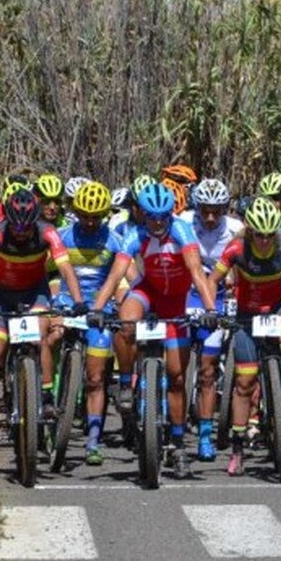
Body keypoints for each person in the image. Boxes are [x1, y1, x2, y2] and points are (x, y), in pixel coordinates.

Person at [89, 183, 217, 479]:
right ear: (141, 214)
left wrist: (211, 311)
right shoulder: (135, 235)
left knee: (176, 377)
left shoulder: (182, 232)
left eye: (163, 216)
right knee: (126, 321)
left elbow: (197, 273)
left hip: (175, 303)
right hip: (148, 293)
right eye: (151, 216)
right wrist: (97, 308)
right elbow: (116, 275)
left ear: (170, 213)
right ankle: (125, 382)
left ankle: (176, 444)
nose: (157, 222)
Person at [209, 198, 281, 476]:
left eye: (269, 235)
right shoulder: (236, 248)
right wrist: (211, 308)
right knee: (245, 381)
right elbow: (212, 280)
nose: (264, 240)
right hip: (247, 315)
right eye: (259, 235)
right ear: (250, 231)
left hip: (278, 306)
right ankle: (238, 450)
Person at [0, 189, 87, 443]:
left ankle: (47, 395)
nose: (20, 232)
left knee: (39, 337)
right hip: (0, 295)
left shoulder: (47, 232)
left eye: (26, 228)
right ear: (8, 219)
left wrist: (79, 301)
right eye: (16, 227)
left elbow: (65, 268)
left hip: (34, 294)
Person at [50, 182, 126, 465]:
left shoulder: (115, 240)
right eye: (84, 215)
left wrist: (124, 301)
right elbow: (42, 271)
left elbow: (126, 276)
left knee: (95, 377)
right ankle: (45, 398)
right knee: (51, 338)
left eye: (97, 216)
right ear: (75, 211)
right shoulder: (61, 236)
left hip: (99, 309)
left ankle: (93, 441)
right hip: (66, 303)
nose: (90, 222)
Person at [177, 178, 243, 461]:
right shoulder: (182, 222)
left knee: (208, 370)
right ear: (197, 207)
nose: (210, 217)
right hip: (185, 296)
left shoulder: (237, 229)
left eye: (217, 210)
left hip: (216, 299)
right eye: (205, 210)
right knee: (176, 372)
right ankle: (174, 431)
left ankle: (205, 435)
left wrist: (233, 278)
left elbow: (246, 262)